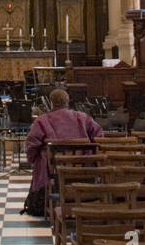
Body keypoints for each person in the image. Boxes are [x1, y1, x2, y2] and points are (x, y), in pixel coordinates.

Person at [21, 88, 103, 217]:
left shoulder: (42, 120)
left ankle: (44, 201)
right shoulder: (82, 118)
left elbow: (32, 144)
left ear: (51, 102)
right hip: (82, 167)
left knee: (41, 158)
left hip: (53, 170)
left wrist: (32, 159)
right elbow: (99, 137)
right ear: (68, 101)